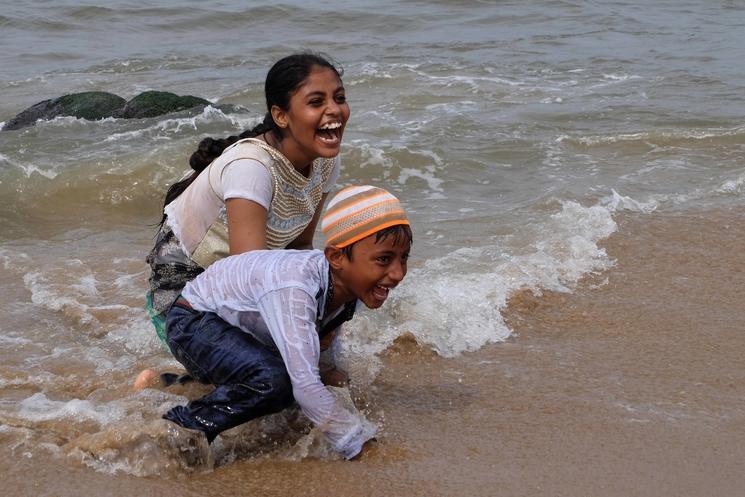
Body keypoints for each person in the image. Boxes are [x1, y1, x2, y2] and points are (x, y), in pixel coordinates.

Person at [160, 186, 412, 459]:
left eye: (403, 258)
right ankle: (181, 429)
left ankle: (169, 381)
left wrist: (335, 386)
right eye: (384, 259)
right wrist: (360, 446)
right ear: (337, 257)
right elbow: (304, 385)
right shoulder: (296, 287)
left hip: (238, 324)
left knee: (314, 382)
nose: (398, 273)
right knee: (275, 382)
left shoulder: (349, 285)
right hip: (193, 320)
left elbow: (322, 352)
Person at [145, 52, 350, 343]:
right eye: (316, 102)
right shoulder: (251, 168)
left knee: (341, 282)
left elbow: (300, 245)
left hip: (242, 279)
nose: (335, 110)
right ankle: (166, 378)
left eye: (339, 98)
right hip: (185, 292)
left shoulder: (325, 159)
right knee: (271, 378)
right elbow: (248, 278)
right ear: (281, 115)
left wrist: (322, 318)